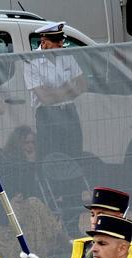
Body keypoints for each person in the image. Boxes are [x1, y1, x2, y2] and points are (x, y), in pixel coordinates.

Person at [23, 21, 86, 160]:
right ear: (43, 42)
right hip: (47, 115)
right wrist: (68, 89)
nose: (61, 45)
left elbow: (82, 85)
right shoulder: (31, 61)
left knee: (75, 155)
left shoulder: (66, 55)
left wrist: (54, 93)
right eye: (56, 42)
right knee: (51, 157)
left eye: (61, 42)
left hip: (69, 112)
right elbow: (44, 98)